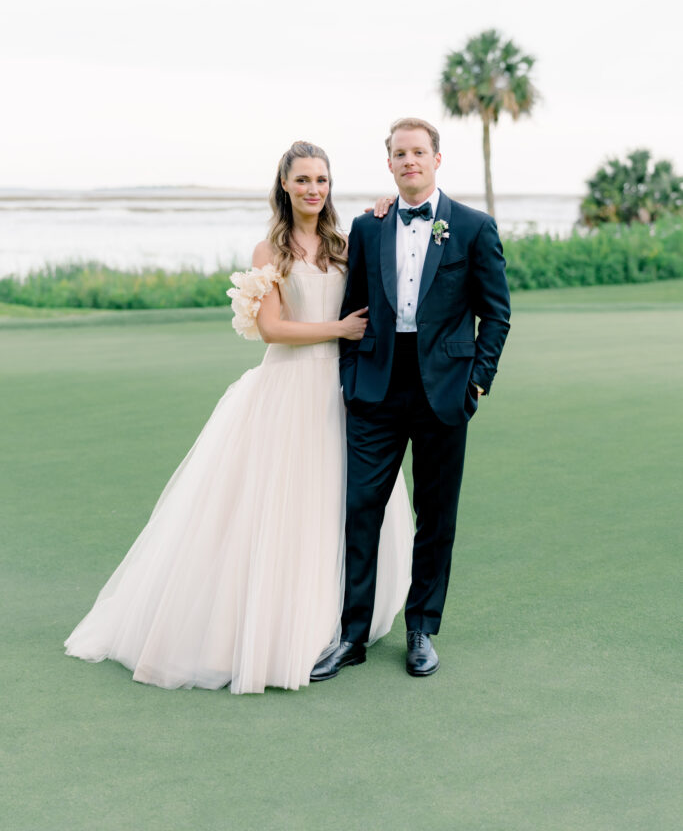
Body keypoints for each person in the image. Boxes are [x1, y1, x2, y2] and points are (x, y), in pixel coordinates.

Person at [65, 141, 414, 694]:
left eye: (321, 180)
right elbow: (273, 329)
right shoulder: (267, 252)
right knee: (278, 505)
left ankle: (334, 623)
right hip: (288, 386)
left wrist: (386, 209)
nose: (313, 190)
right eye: (302, 180)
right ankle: (270, 626)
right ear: (284, 186)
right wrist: (340, 330)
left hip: (343, 393)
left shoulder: (346, 244)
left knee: (335, 503)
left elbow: (395, 259)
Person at [311, 118, 511, 682]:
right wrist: (352, 375)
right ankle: (351, 636)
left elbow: (496, 313)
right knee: (360, 512)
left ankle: (421, 630)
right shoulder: (367, 226)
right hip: (375, 387)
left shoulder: (473, 227)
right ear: (390, 163)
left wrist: (477, 380)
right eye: (399, 154)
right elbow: (353, 307)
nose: (409, 161)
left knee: (436, 515)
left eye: (418, 152)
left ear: (437, 160)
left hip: (445, 390)